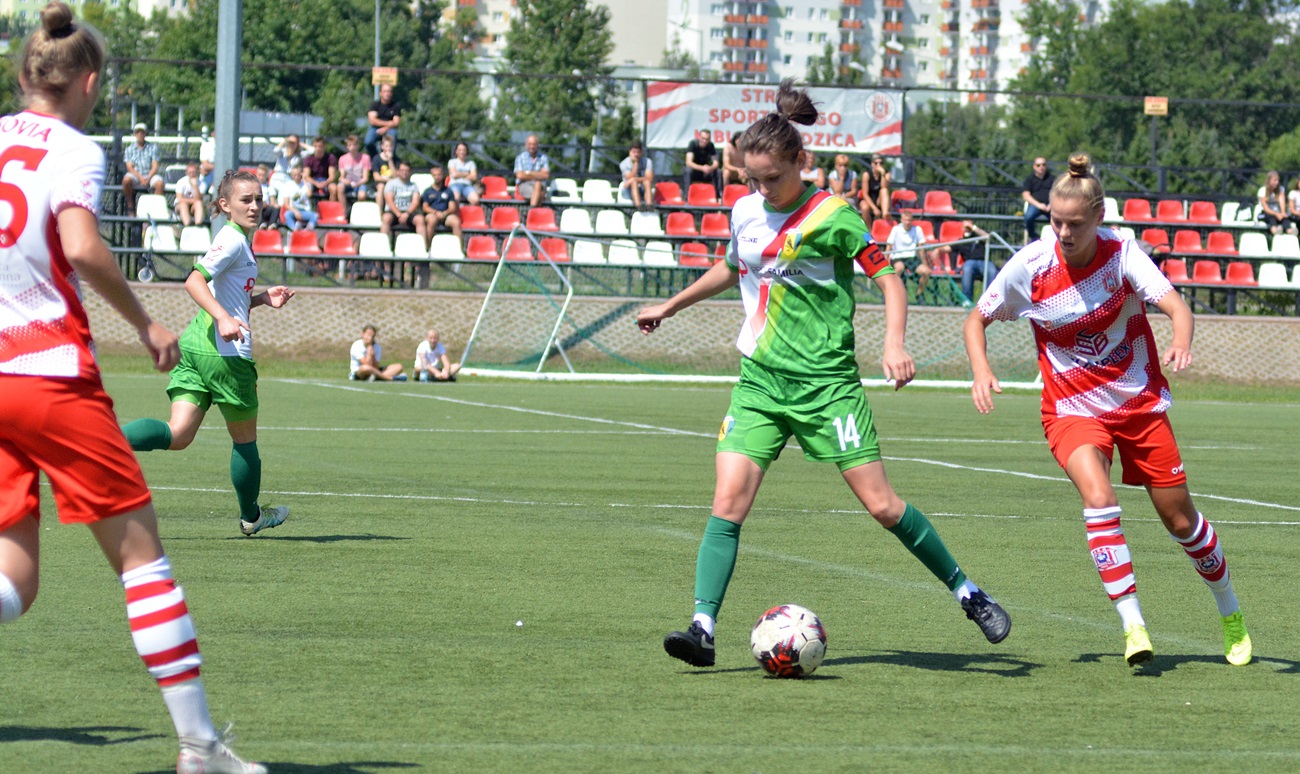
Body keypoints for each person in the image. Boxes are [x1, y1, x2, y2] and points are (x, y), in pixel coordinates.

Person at [636, 79, 1011, 670]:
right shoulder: (744, 210)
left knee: (884, 507)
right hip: (760, 381)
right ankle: (702, 628)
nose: (761, 189)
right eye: (751, 178)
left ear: (801, 162)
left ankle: (969, 593)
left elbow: (888, 280)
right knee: (727, 501)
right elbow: (731, 267)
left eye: (771, 178)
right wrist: (670, 305)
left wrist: (893, 344)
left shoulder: (835, 215)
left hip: (827, 388)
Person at [1, 7, 267, 771]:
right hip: (48, 376)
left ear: (25, 77)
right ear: (88, 82)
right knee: (143, 561)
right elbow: (81, 245)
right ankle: (200, 748)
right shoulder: (76, 149)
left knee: (15, 577)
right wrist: (147, 324)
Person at [963, 152, 1251, 669]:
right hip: (1071, 409)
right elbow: (975, 321)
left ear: (1099, 218)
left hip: (1139, 404)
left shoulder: (1122, 254)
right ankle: (1133, 625)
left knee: (1181, 520)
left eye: (1075, 223)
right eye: (1056, 222)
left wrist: (1181, 341)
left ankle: (1230, 613)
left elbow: (1176, 307)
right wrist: (981, 371)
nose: (1065, 233)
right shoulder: (1030, 265)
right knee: (1098, 497)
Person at [123, 168, 294, 544]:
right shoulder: (232, 240)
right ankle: (252, 517)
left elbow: (226, 298)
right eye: (245, 200)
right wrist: (223, 318)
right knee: (245, 442)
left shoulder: (239, 242)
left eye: (259, 199)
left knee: (179, 434)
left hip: (197, 347)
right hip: (226, 355)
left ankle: (100, 444)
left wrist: (262, 299)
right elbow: (193, 280)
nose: (254, 206)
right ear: (225, 205)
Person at [884, 209, 933, 294]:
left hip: (912, 257)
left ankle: (919, 294)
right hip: (898, 257)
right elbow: (889, 246)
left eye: (909, 220)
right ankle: (892, 292)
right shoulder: (896, 229)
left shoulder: (917, 230)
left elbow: (921, 249)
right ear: (902, 220)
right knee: (899, 268)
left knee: (927, 272)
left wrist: (925, 264)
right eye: (905, 220)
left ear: (912, 220)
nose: (907, 222)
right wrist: (885, 263)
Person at [121, 121, 164, 215]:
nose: (140, 134)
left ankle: (155, 209)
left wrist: (148, 177)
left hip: (150, 175)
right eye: (138, 132)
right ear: (135, 134)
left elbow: (155, 165)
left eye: (142, 132)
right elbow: (129, 167)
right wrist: (140, 177)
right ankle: (130, 205)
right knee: (126, 180)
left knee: (159, 183)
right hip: (136, 175)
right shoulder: (129, 149)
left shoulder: (153, 148)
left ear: (146, 134)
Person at [382, 160, 426, 246]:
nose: (404, 173)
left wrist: (407, 214)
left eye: (407, 170)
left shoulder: (414, 186)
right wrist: (398, 214)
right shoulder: (391, 184)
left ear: (410, 172)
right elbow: (389, 201)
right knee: (386, 218)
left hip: (409, 212)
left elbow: (415, 202)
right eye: (402, 170)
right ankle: (384, 246)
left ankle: (422, 247)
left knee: (420, 219)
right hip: (394, 211)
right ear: (398, 171)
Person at [950, 220, 996, 302]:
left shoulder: (980, 237)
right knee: (967, 268)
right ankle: (967, 300)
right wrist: (937, 250)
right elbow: (947, 248)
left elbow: (987, 236)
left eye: (969, 227)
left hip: (984, 262)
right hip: (970, 262)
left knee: (992, 270)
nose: (967, 228)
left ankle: (989, 300)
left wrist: (973, 227)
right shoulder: (961, 241)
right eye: (965, 227)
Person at [421, 163, 461, 243]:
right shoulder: (427, 191)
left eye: (439, 175)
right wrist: (435, 212)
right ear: (432, 176)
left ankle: (458, 248)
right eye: (435, 175)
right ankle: (428, 247)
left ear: (443, 175)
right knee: (431, 220)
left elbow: (452, 207)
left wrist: (444, 213)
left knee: (456, 222)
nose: (437, 177)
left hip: (446, 215)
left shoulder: (448, 191)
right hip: (432, 214)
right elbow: (425, 207)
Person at [1021, 156, 1052, 243]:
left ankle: (1055, 238)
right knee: (1028, 217)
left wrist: (1051, 204)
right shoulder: (1029, 179)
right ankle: (1033, 237)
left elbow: (1057, 193)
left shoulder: (1052, 178)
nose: (1041, 167)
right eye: (1038, 165)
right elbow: (1025, 195)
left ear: (1046, 166)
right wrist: (1038, 205)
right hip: (1035, 205)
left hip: (1050, 205)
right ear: (1034, 167)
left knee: (1058, 218)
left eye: (1043, 164)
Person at [514, 134, 550, 208]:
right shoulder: (520, 158)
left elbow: (546, 175)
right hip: (524, 185)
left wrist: (528, 173)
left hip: (540, 186)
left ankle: (532, 211)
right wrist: (539, 174)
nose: (532, 146)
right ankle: (535, 212)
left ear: (537, 145)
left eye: (534, 144)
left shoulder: (543, 158)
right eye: (530, 144)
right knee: (540, 192)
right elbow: (520, 176)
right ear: (526, 145)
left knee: (538, 185)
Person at [277, 164, 317, 231]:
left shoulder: (307, 185)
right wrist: (295, 211)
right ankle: (295, 229)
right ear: (291, 175)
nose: (296, 177)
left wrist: (305, 180)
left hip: (305, 210)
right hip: (293, 210)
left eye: (298, 174)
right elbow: (286, 204)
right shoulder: (288, 185)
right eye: (294, 175)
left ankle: (307, 230)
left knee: (315, 216)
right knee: (287, 215)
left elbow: (309, 194)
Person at [364, 82, 401, 154]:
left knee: (392, 142)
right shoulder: (375, 105)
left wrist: (385, 128)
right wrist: (389, 123)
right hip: (375, 128)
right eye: (385, 91)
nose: (387, 93)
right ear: (380, 93)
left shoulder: (395, 106)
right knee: (368, 142)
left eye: (389, 91)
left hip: (390, 129)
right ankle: (376, 158)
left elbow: (396, 123)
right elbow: (372, 121)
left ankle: (389, 159)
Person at [683, 126, 720, 196]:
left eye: (707, 139)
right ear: (699, 137)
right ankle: (687, 196)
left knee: (717, 172)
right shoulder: (693, 144)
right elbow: (688, 162)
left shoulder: (710, 146)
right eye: (703, 138)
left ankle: (717, 196)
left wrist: (710, 168)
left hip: (705, 171)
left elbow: (716, 163)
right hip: (695, 170)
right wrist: (702, 168)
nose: (705, 141)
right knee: (688, 171)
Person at [336, 133, 372, 204]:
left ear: (358, 145)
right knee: (340, 187)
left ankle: (357, 212)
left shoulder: (365, 158)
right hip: (348, 183)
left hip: (360, 183)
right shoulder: (342, 159)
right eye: (350, 145)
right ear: (347, 147)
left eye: (354, 145)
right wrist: (347, 182)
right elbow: (341, 177)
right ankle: (344, 211)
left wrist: (357, 183)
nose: (353, 147)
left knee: (362, 195)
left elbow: (365, 178)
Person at [619, 140, 655, 211]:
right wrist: (635, 164)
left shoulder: (648, 162)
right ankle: (639, 206)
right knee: (634, 183)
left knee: (646, 182)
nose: (636, 155)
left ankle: (649, 205)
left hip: (642, 189)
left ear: (641, 152)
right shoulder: (624, 164)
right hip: (628, 191)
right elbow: (629, 177)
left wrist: (634, 179)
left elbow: (650, 178)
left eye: (638, 152)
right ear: (630, 152)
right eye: (633, 152)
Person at [302, 135, 338, 202]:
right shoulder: (309, 159)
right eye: (316, 146)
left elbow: (332, 177)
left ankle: (330, 209)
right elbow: (306, 176)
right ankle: (307, 209)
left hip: (326, 180)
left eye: (320, 146)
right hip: (312, 181)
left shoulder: (330, 158)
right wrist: (316, 183)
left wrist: (324, 183)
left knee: (334, 188)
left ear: (324, 147)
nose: (318, 149)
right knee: (305, 189)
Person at [370, 133, 400, 213]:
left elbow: (396, 176)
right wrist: (388, 180)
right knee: (381, 187)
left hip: (393, 183)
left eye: (390, 146)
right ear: (382, 147)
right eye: (386, 146)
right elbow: (376, 177)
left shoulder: (396, 160)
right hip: (380, 183)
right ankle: (379, 213)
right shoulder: (376, 159)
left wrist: (390, 160)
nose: (389, 148)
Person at [173, 161, 206, 228]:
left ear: (197, 173)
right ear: (186, 173)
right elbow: (180, 199)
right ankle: (187, 226)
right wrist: (194, 200)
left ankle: (198, 226)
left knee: (199, 204)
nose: (192, 174)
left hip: (193, 207)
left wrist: (195, 186)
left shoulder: (202, 184)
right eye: (190, 172)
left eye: (193, 172)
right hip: (180, 206)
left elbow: (199, 199)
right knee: (183, 205)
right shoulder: (181, 182)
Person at [446, 141, 480, 205]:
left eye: (464, 150)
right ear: (456, 151)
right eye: (460, 150)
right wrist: (467, 173)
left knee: (475, 200)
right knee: (455, 199)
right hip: (455, 185)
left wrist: (460, 174)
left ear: (467, 152)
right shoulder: (452, 162)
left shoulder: (471, 163)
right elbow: (454, 175)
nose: (462, 152)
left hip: (467, 186)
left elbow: (474, 177)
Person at [861, 153, 891, 222]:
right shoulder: (867, 174)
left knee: (884, 190)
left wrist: (882, 173)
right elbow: (865, 194)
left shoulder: (886, 173)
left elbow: (884, 186)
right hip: (869, 199)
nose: (878, 165)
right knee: (864, 207)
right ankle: (869, 230)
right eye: (876, 163)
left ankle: (885, 214)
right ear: (872, 164)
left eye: (880, 163)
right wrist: (874, 208)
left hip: (880, 199)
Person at [1258, 170, 1288, 235]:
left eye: (1278, 180)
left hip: (1278, 212)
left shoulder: (1281, 189)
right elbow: (1266, 209)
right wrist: (1276, 214)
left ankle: (1290, 231)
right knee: (1271, 218)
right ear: (1269, 181)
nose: (1277, 183)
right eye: (1274, 180)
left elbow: (1282, 201)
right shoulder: (1262, 191)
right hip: (1266, 213)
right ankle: (1275, 232)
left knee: (1285, 219)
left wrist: (1282, 213)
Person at [254, 164, 279, 229]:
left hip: (266, 208)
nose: (261, 177)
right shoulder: (253, 187)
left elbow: (272, 201)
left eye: (263, 176)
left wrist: (272, 204)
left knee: (275, 209)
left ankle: (272, 224)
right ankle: (261, 223)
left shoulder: (269, 187)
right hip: (257, 207)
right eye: (259, 175)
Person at [198, 127, 215, 194]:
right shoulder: (206, 145)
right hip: (208, 174)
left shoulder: (228, 146)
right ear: (212, 133)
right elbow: (205, 165)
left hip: (223, 174)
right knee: (202, 188)